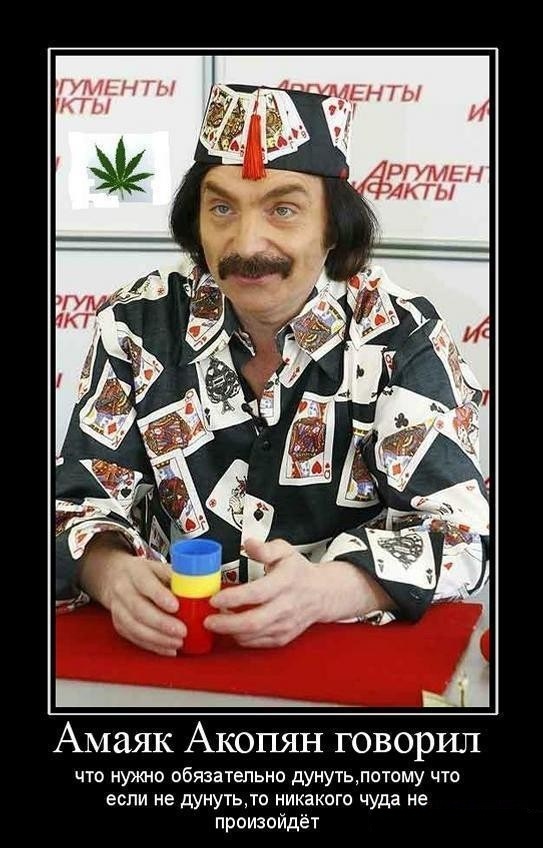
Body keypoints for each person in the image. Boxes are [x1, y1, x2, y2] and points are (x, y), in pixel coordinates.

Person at [56, 82, 489, 655]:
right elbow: (76, 505)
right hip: (171, 653)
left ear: (333, 226)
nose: (246, 243)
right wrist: (109, 573)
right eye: (221, 208)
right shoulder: (138, 324)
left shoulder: (400, 337)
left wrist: (328, 591)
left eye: (283, 210)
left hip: (334, 660)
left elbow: (461, 535)